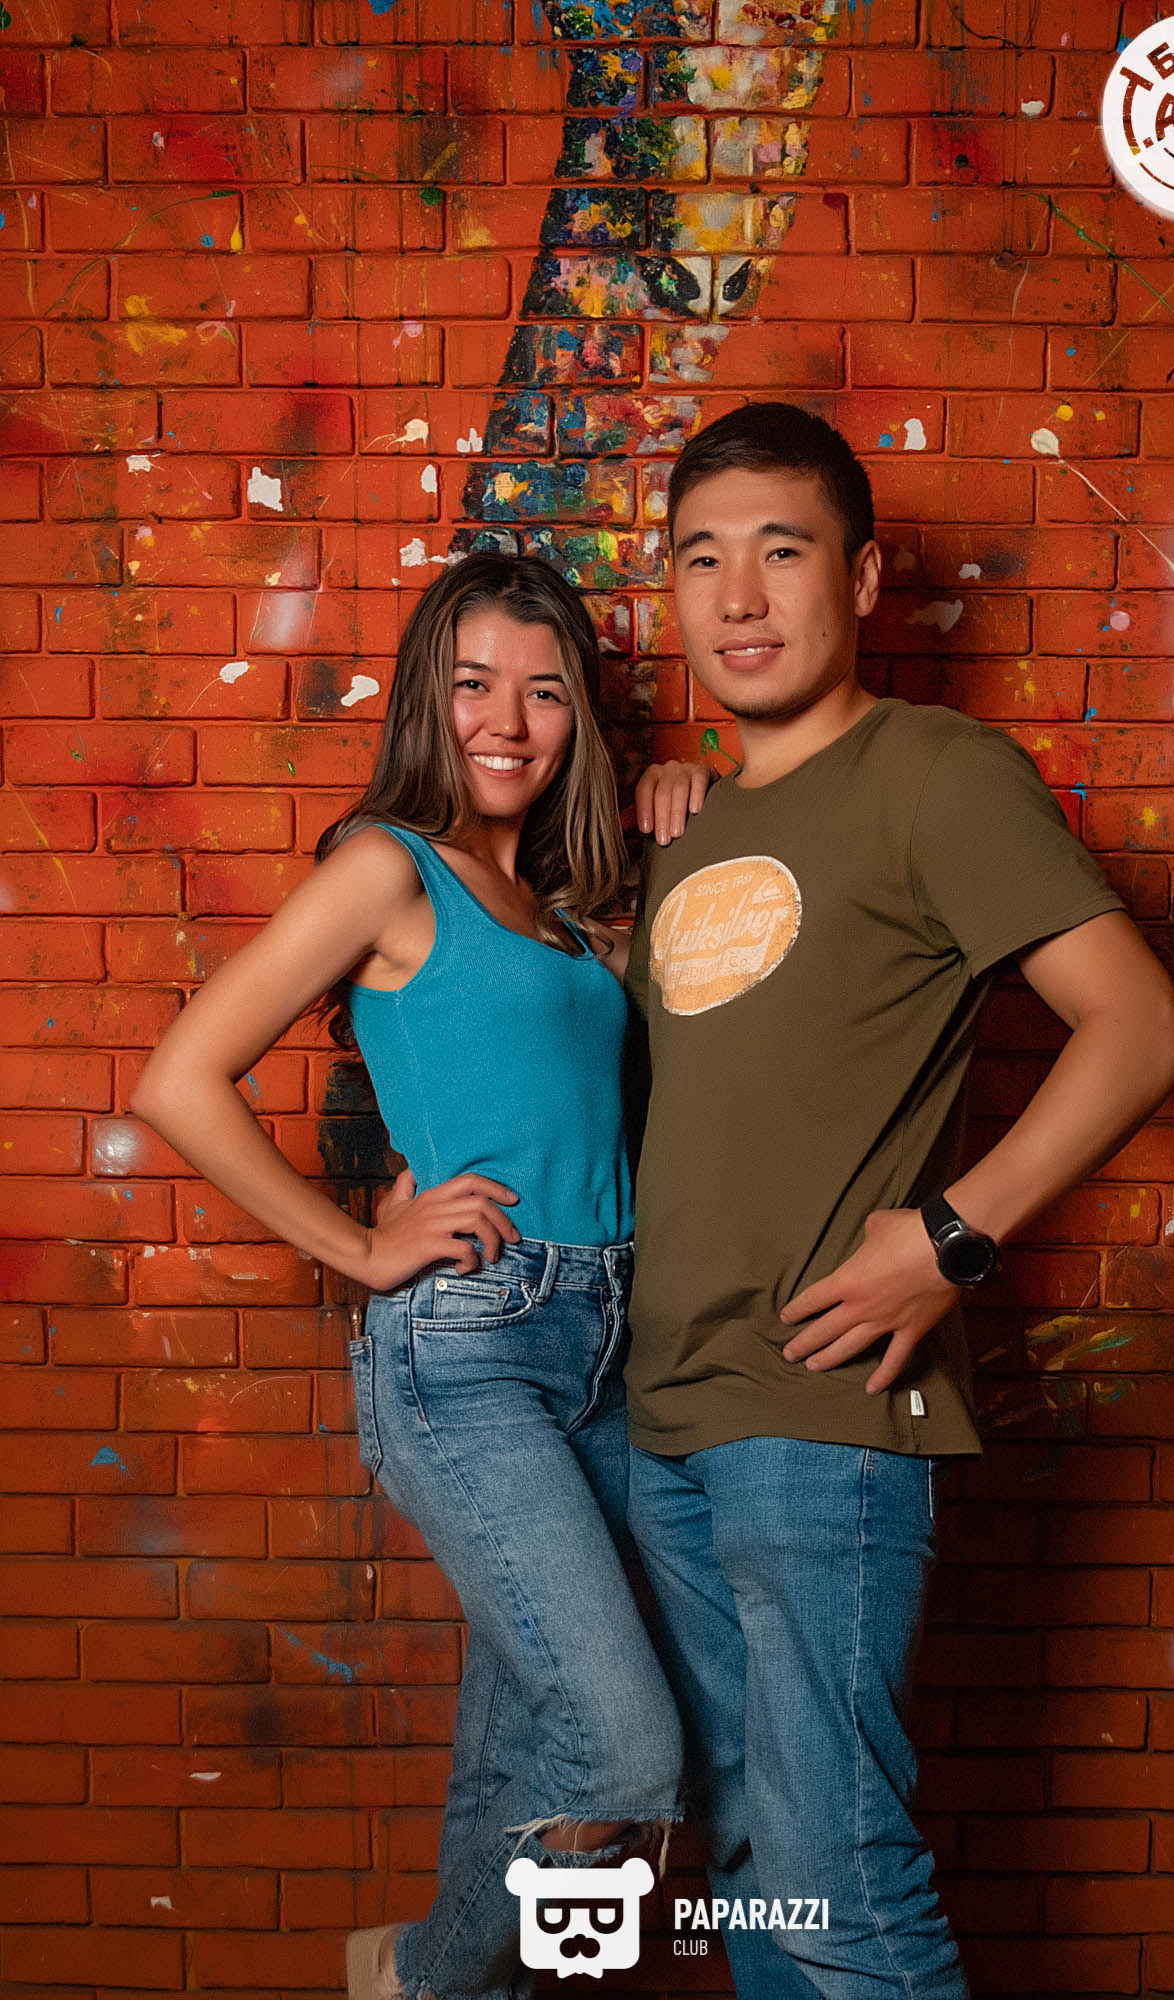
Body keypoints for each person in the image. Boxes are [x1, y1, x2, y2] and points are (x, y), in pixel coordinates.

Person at [622, 403, 1174, 2000]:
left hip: (821, 1413)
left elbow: (1140, 1026)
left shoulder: (936, 773)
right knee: (753, 1872)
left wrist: (952, 1237)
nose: (739, 596)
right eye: (701, 560)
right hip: (663, 1417)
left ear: (864, 578)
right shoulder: (686, 824)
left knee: (838, 1884)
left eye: (781, 551)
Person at [131, 553, 697, 2000]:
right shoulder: (389, 868)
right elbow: (180, 1079)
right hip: (471, 1348)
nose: (507, 720)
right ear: (425, 705)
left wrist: (697, 795)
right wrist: (365, 1245)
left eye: (546, 692)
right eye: (472, 685)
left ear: (579, 720)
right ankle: (423, 1976)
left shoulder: (565, 910)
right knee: (623, 1752)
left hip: (604, 1349)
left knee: (520, 1749)